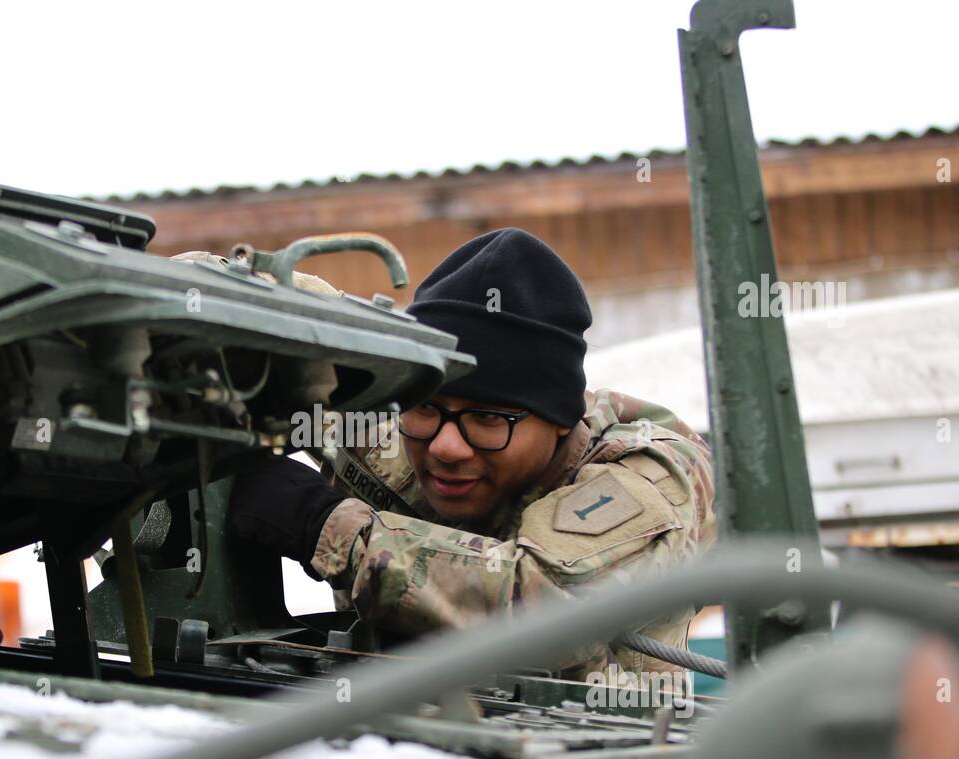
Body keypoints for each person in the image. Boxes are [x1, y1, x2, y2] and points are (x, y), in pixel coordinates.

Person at [227, 228, 715, 681]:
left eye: (487, 419)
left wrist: (325, 526)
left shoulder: (654, 472)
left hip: (600, 757)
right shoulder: (401, 428)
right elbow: (294, 317)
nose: (445, 447)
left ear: (562, 420)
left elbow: (540, 605)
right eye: (424, 407)